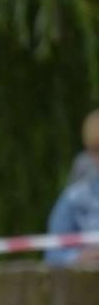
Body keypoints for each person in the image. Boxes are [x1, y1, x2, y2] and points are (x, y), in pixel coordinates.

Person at [45, 109, 99, 268]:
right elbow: (52, 254)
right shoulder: (75, 199)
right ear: (89, 152)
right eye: (97, 150)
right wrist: (79, 258)